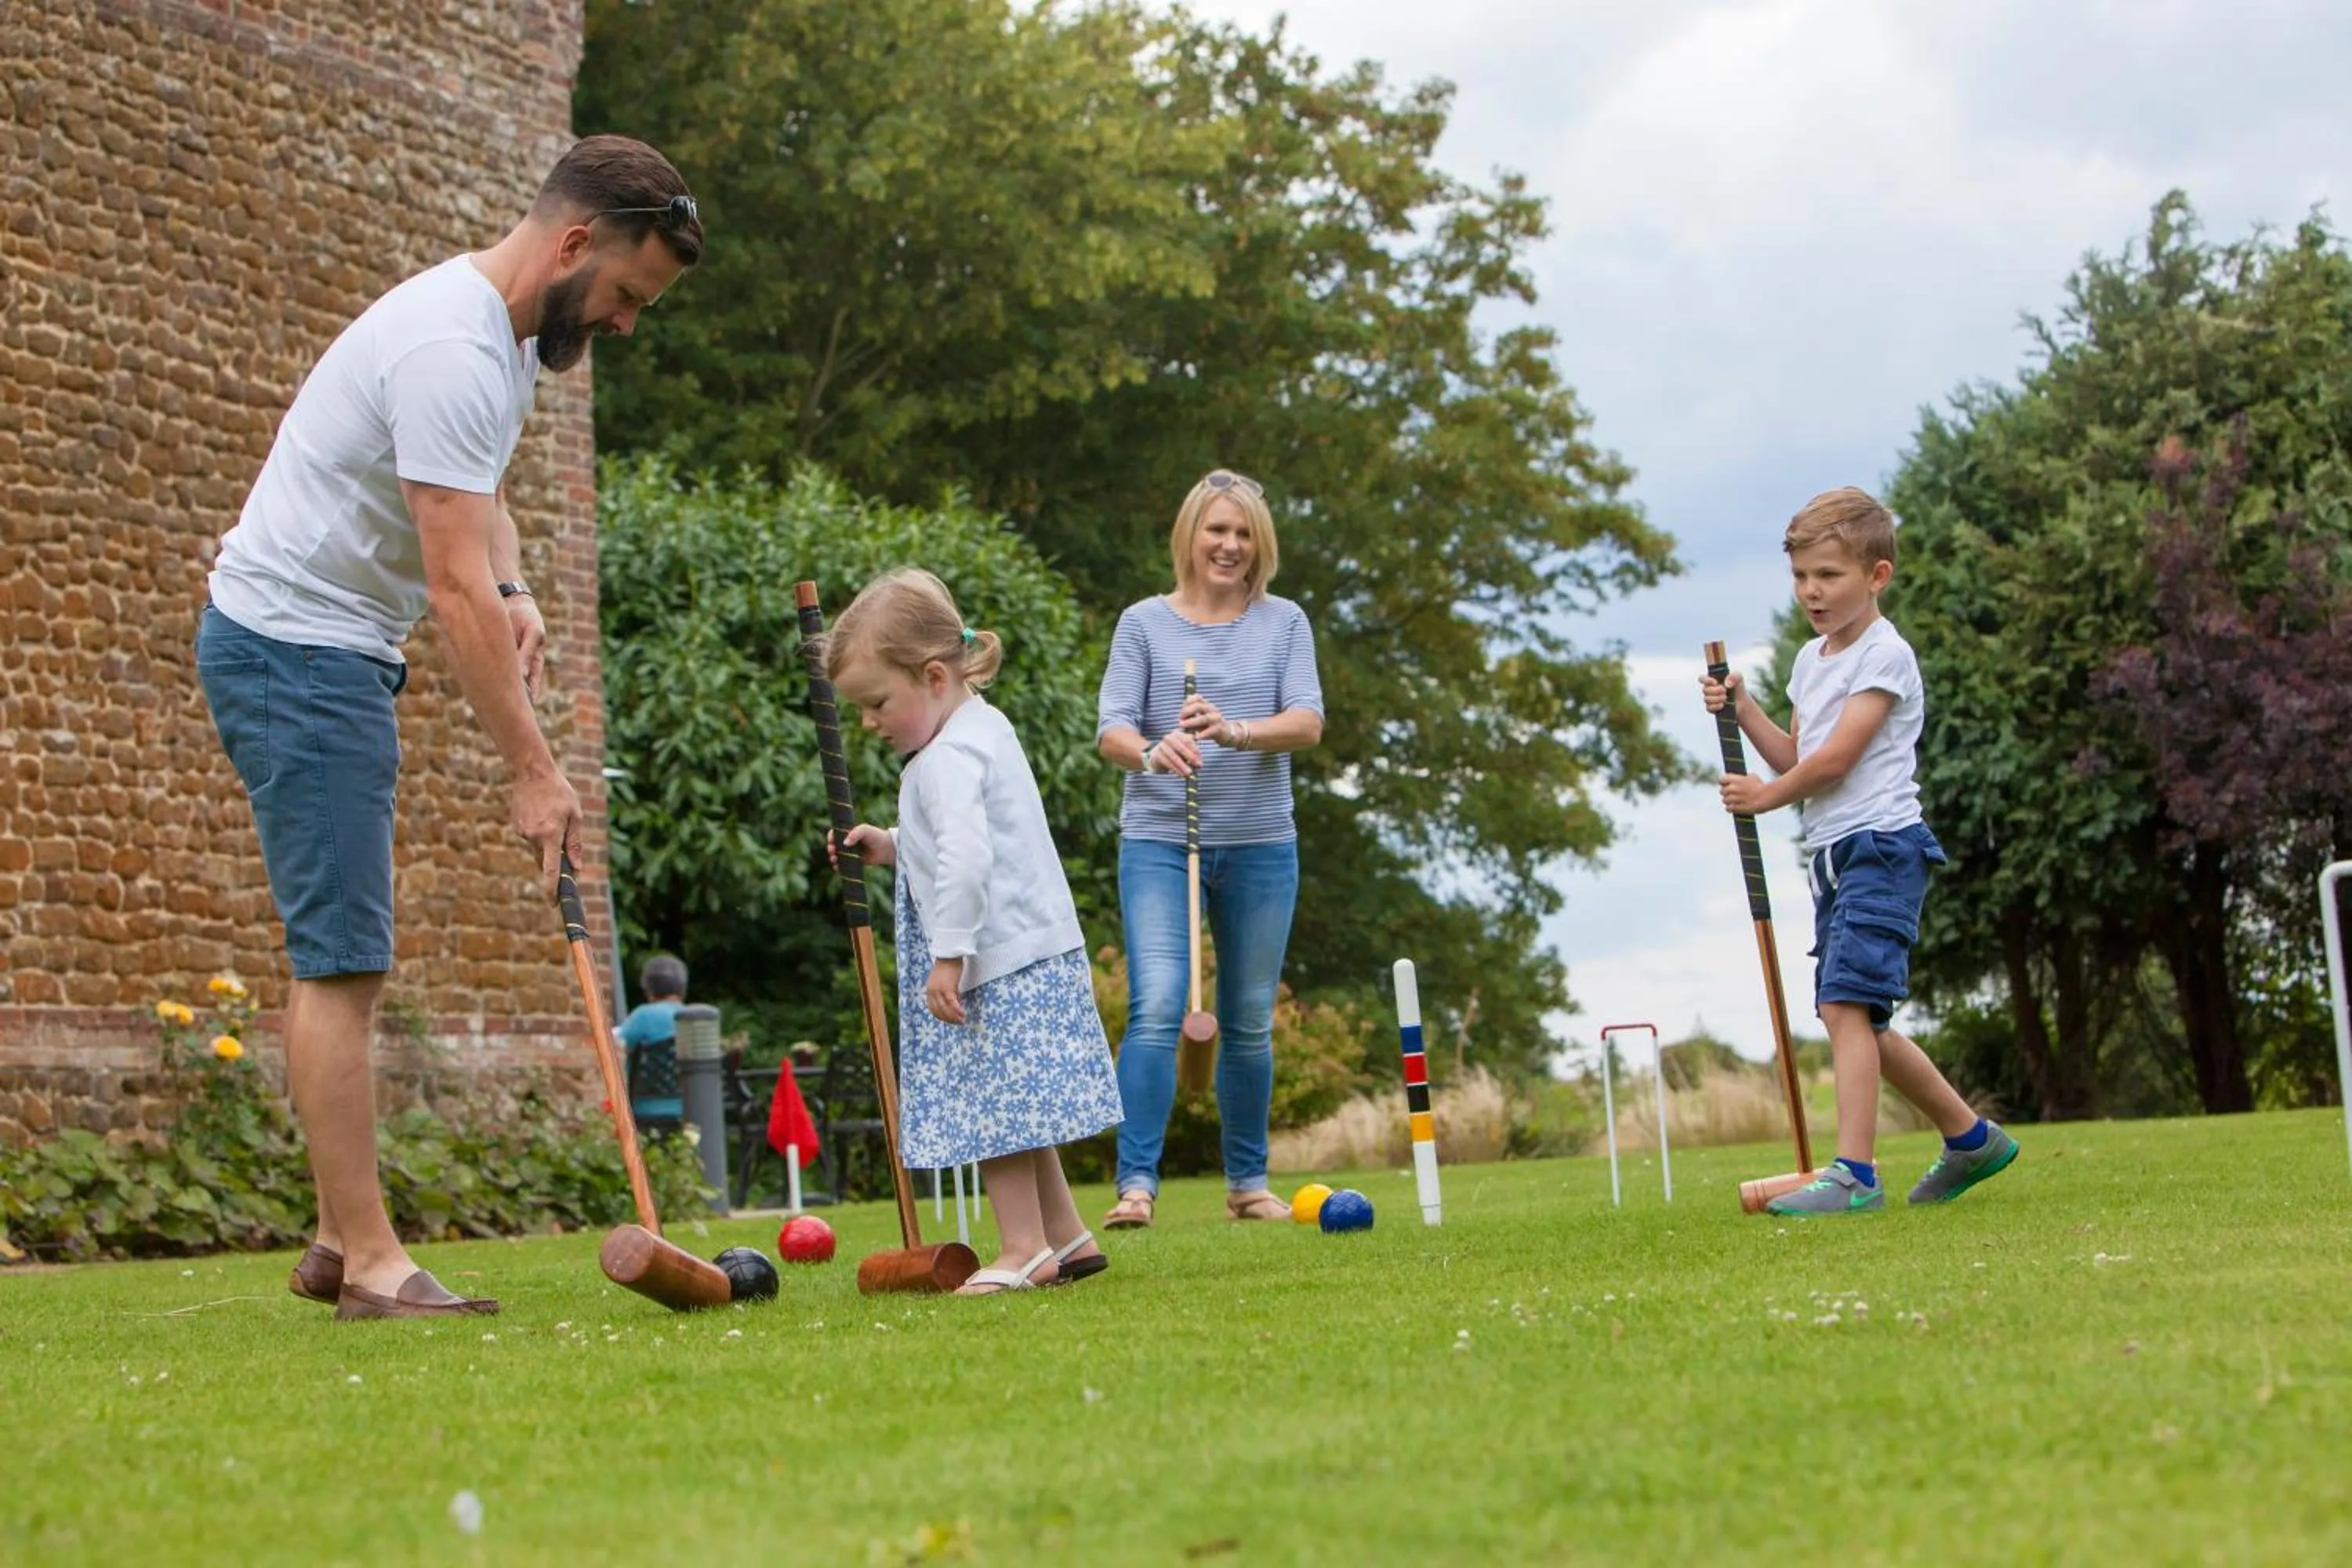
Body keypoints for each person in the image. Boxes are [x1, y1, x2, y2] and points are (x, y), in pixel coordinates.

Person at [194, 136, 705, 1318]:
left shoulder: (503, 342)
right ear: (576, 243)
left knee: (342, 952)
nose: (628, 324)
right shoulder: (449, 348)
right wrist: (534, 772)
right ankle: (373, 1266)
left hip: (323, 652)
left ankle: (334, 1240)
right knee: (343, 962)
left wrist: (521, 591)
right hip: (296, 652)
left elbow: (487, 520)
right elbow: (452, 586)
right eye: (629, 295)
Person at [1702, 486, 2019, 1216]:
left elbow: (1838, 761)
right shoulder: (1812, 661)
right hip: (1833, 855)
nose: (1811, 591)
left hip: (1883, 847)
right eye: (1801, 576)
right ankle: (1971, 1139)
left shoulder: (1886, 655)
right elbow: (1796, 756)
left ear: (1877, 576)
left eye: (1829, 576)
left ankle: (1854, 1176)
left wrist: (1763, 799)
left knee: (1845, 1003)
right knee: (1860, 1016)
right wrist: (1742, 707)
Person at [823, 568, 1123, 1294]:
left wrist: (948, 959)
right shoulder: (981, 727)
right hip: (1034, 947)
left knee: (995, 1111)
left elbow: (967, 860)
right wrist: (892, 843)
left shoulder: (947, 757)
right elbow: (954, 841)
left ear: (932, 676)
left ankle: (1023, 1248)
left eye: (876, 703)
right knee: (1020, 1110)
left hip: (993, 958)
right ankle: (1068, 1234)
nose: (869, 722)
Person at [1094, 470, 1323, 1228]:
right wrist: (1154, 753)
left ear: (1261, 544)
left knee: (1249, 1016)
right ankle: (1136, 1185)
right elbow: (1112, 732)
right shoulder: (1144, 623)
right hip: (1162, 840)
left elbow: (1307, 723)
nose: (1229, 545)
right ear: (1190, 536)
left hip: (1260, 844)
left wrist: (1236, 731)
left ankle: (1248, 1183)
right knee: (1159, 1001)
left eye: (1243, 532)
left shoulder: (1285, 622)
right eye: (1216, 530)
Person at [615, 953, 689, 1125]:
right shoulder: (691, 1019)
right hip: (687, 1108)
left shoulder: (643, 1016)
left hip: (644, 1109)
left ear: (648, 988)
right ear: (682, 988)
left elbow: (617, 1047)